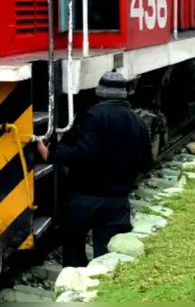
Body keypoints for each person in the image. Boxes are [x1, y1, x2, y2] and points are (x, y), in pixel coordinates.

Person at [36, 71, 153, 267]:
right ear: (125, 95)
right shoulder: (138, 121)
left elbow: (83, 153)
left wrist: (50, 154)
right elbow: (146, 162)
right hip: (118, 202)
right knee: (108, 257)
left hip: (85, 198)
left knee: (74, 247)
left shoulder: (93, 116)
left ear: (99, 95)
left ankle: (76, 287)